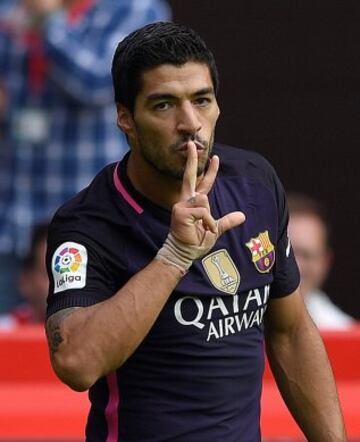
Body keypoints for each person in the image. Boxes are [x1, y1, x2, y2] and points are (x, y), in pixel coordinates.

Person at [45, 22, 346, 441]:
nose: (190, 123)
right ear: (125, 118)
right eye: (164, 105)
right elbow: (76, 364)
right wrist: (173, 256)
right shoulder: (87, 224)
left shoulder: (255, 183)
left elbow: (291, 332)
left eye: (201, 100)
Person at [0, 0, 170, 313]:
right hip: (11, 223)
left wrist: (49, 20)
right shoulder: (10, 8)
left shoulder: (135, 10)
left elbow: (99, 84)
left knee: (85, 348)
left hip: (87, 228)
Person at [287, 191, 355, 330]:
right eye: (286, 254)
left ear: (325, 263)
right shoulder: (234, 325)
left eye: (307, 255)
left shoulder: (343, 331)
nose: (296, 266)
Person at [0, 222, 49, 328]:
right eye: (51, 275)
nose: (64, 284)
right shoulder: (5, 331)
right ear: (26, 282)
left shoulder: (93, 337)